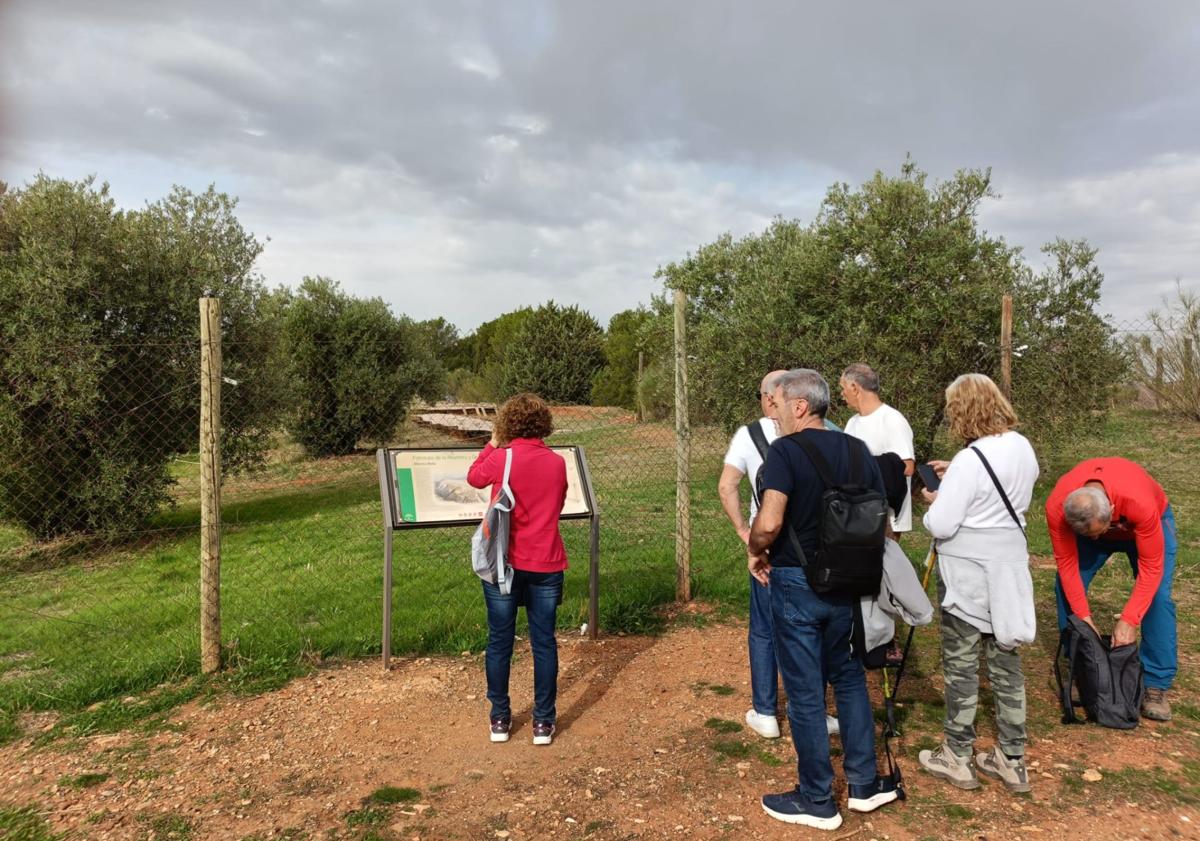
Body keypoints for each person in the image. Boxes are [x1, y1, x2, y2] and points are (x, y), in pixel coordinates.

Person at [748, 369, 899, 830]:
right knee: (849, 678)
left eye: (780, 404)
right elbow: (882, 517)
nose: (774, 414)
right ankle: (864, 783)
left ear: (799, 406)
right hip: (852, 582)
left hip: (797, 580)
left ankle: (816, 798)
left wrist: (756, 551)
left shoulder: (785, 452)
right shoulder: (857, 450)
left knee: (806, 692)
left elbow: (771, 521)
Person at [917, 374, 1039, 794]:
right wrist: (960, 476)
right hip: (1009, 570)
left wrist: (936, 499)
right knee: (1007, 663)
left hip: (968, 575)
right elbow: (1000, 489)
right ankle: (1012, 758)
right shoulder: (1022, 447)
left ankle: (957, 754)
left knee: (962, 663)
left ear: (962, 410)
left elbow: (943, 522)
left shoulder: (971, 459)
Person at [467, 393, 568, 745]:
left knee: (500, 641)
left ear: (508, 423)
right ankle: (543, 722)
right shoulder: (557, 463)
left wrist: (492, 443)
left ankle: (500, 718)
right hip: (547, 561)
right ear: (544, 424)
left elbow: (474, 478)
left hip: (503, 566)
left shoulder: (502, 459)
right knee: (544, 642)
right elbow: (557, 504)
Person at [1046, 457, 1178, 721]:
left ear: (1113, 509)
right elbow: (1068, 566)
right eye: (1087, 535)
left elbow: (1152, 568)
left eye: (1097, 532)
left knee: (1158, 597)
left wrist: (1129, 620)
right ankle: (1082, 668)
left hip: (1143, 527)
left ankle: (1155, 683)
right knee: (1066, 588)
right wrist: (1084, 618)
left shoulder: (1139, 503)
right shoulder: (1057, 507)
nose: (1094, 538)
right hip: (1096, 519)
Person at [718, 369, 789, 739]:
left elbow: (727, 485)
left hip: (768, 546)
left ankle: (765, 711)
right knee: (812, 627)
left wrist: (746, 534)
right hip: (817, 547)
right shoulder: (827, 428)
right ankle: (808, 706)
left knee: (764, 629)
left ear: (766, 398)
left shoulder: (751, 435)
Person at [840, 363, 916, 535]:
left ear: (854, 387)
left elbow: (907, 466)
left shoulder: (892, 419)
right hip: (858, 512)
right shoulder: (852, 422)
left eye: (842, 388)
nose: (842, 394)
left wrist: (864, 468)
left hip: (886, 516)